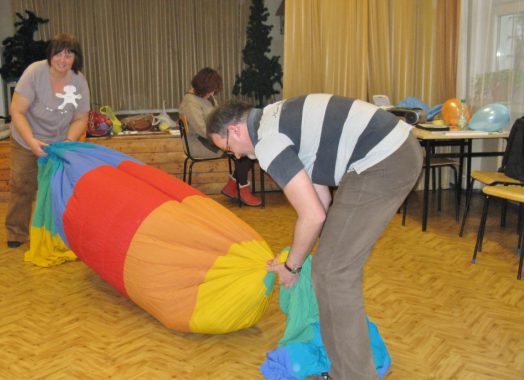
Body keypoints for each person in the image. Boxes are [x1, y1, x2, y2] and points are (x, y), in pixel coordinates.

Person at [206, 95, 423, 379]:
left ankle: (355, 375)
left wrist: (292, 267)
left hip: (383, 160)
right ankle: (342, 369)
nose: (235, 155)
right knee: (326, 270)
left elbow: (313, 216)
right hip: (391, 154)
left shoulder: (268, 141)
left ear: (234, 130)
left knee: (334, 274)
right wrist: (297, 260)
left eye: (228, 147)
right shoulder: (275, 119)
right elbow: (320, 201)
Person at [5, 33, 90, 248]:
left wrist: (68, 141)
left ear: (75, 59)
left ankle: (55, 232)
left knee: (55, 188)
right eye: (58, 53)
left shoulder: (79, 82)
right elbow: (17, 110)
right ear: (50, 54)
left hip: (58, 142)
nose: (62, 59)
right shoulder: (35, 72)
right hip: (26, 139)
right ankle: (16, 233)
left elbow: (81, 118)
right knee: (22, 185)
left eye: (68, 55)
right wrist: (31, 141)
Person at [179, 67, 262, 206]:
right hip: (200, 143)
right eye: (211, 90)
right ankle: (242, 190)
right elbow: (202, 130)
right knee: (244, 153)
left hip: (211, 139)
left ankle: (232, 187)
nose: (213, 93)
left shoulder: (207, 97)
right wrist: (225, 136)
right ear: (202, 87)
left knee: (245, 149)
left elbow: (218, 118)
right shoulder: (190, 102)